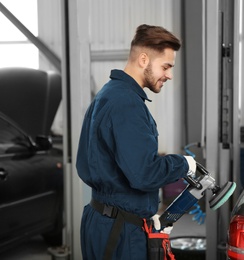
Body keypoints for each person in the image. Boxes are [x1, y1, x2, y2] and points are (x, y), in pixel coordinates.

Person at [76, 24, 196, 260]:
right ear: (143, 60)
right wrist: (184, 164)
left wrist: (145, 213)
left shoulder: (109, 93)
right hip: (120, 231)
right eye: (166, 66)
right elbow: (144, 174)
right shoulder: (126, 103)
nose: (169, 75)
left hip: (106, 219)